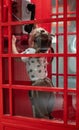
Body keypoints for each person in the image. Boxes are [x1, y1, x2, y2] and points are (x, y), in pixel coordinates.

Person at [12, 27, 55, 119]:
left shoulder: (30, 51)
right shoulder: (44, 49)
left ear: (32, 42)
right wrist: (34, 26)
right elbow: (40, 37)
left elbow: (16, 57)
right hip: (47, 82)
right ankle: (50, 121)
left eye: (29, 37)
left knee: (39, 111)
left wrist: (13, 43)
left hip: (37, 84)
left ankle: (42, 125)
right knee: (47, 108)